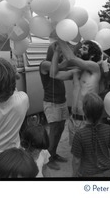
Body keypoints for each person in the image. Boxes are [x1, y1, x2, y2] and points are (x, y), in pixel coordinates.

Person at [51, 39, 106, 145]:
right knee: (76, 156)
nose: (80, 49)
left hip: (88, 122)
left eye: (84, 49)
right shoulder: (75, 72)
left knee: (88, 156)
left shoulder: (95, 68)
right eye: (81, 47)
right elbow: (54, 74)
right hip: (73, 120)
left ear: (92, 55)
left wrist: (59, 38)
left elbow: (71, 58)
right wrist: (57, 52)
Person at [71, 92, 110, 177]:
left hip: (87, 174)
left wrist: (74, 175)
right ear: (102, 112)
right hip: (107, 173)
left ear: (84, 111)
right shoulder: (107, 129)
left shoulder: (79, 134)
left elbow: (76, 161)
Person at [39, 42, 69, 170]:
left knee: (60, 129)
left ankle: (54, 154)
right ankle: (48, 159)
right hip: (52, 103)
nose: (61, 54)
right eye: (58, 52)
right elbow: (60, 67)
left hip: (61, 101)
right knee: (54, 130)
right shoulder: (44, 64)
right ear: (52, 52)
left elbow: (63, 65)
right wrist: (60, 52)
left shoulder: (56, 64)